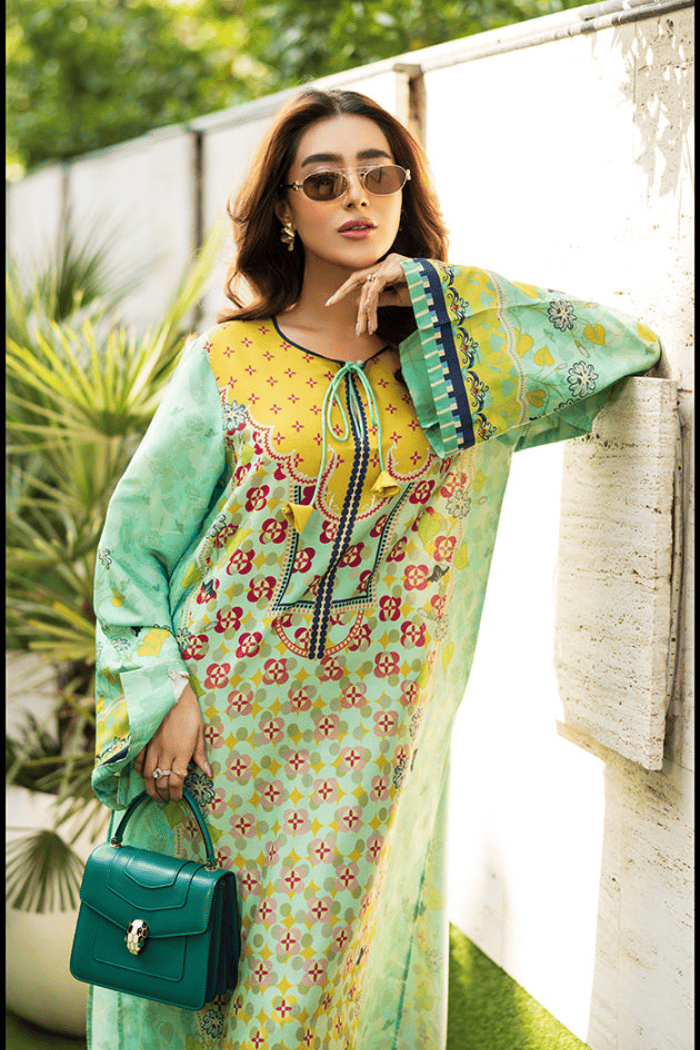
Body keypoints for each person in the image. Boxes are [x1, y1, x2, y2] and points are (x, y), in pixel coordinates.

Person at [88, 88, 661, 1050]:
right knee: (193, 984)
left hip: (370, 745)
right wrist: (163, 689)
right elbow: (134, 543)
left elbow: (619, 351)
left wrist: (437, 300)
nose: (357, 196)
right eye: (324, 180)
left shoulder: (457, 374)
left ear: (403, 192)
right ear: (285, 209)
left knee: (317, 990)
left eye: (378, 174)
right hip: (222, 739)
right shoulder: (229, 363)